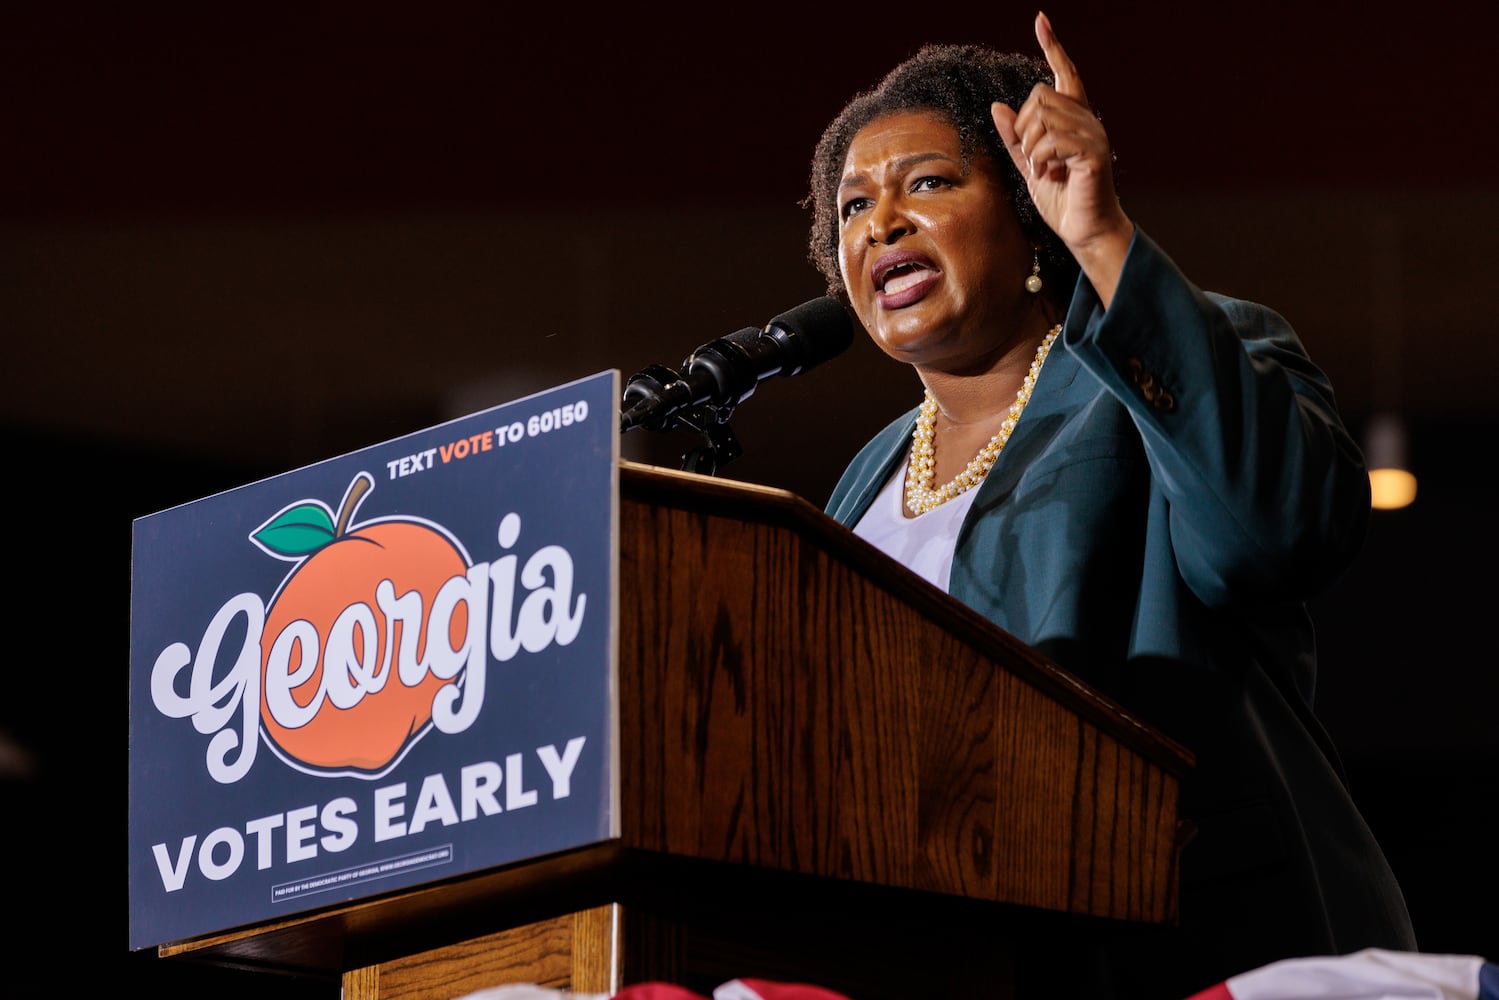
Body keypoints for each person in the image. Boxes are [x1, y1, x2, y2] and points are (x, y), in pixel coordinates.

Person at [808, 11, 1418, 1000]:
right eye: (851, 206)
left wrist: (1101, 238)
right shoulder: (861, 482)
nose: (879, 223)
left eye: (927, 182)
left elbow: (1277, 529)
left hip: (1186, 945)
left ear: (1026, 209)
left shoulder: (1177, 355)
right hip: (946, 956)